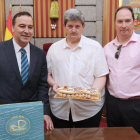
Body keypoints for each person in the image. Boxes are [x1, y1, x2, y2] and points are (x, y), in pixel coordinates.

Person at [47, 9, 109, 128]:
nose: (73, 30)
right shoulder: (54, 48)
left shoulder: (95, 47)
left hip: (88, 109)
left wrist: (91, 94)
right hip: (60, 108)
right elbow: (47, 74)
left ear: (83, 26)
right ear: (64, 26)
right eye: (70, 26)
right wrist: (53, 83)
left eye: (77, 26)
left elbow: (101, 75)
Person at [0, 11, 53, 130]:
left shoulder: (39, 54)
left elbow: (42, 86)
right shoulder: (1, 50)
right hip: (4, 113)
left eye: (30, 27)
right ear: (13, 27)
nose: (27, 31)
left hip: (31, 114)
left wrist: (45, 112)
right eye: (22, 26)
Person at [104, 6, 140, 134]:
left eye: (127, 21)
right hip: (112, 105)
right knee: (114, 137)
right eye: (120, 21)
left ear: (134, 22)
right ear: (114, 24)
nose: (123, 25)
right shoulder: (107, 48)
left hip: (135, 105)